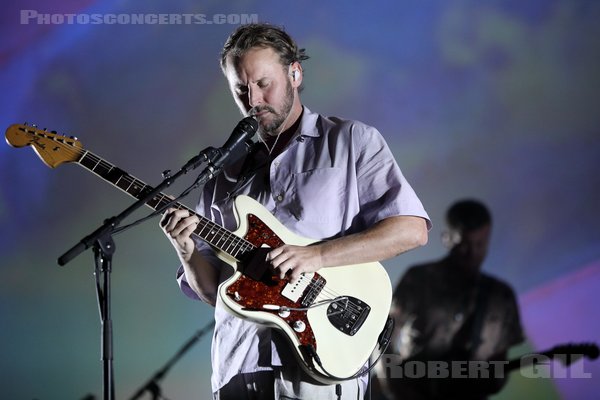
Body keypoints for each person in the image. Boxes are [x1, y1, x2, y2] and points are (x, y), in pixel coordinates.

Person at [159, 23, 430, 400]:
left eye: (263, 83)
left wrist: (315, 255)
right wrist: (186, 249)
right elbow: (212, 292)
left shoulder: (351, 141)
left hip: (317, 371)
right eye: (241, 89)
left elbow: (411, 230)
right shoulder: (223, 174)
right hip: (239, 368)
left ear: (295, 73)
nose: (253, 99)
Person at [375, 199, 524, 400]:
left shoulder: (501, 296)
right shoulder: (419, 278)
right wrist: (396, 389)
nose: (472, 253)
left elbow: (497, 374)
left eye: (480, 244)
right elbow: (383, 338)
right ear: (447, 238)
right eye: (464, 244)